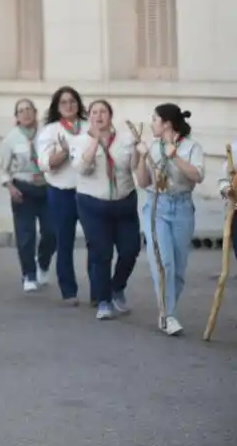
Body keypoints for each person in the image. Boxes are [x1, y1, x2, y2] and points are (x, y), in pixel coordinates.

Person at [133, 103, 204, 335]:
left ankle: (168, 310)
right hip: (157, 206)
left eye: (155, 119)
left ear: (167, 123)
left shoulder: (191, 147)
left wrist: (176, 158)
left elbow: (198, 176)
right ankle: (167, 315)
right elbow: (143, 183)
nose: (152, 123)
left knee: (179, 268)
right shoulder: (153, 147)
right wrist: (142, 158)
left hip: (182, 207)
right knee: (164, 263)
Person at [71, 100, 142, 321]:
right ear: (89, 117)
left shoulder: (125, 140)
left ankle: (117, 287)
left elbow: (133, 167)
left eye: (103, 112)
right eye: (94, 112)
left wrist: (139, 150)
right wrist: (94, 142)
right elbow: (82, 168)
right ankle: (103, 300)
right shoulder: (80, 140)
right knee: (101, 253)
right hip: (93, 203)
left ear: (110, 116)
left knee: (130, 250)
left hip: (124, 201)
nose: (99, 116)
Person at [36, 86, 90, 305]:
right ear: (57, 107)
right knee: (64, 242)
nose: (69, 106)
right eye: (64, 102)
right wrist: (65, 151)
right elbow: (45, 165)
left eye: (73, 102)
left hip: (89, 191)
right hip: (61, 193)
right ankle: (69, 290)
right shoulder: (50, 131)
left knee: (96, 242)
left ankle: (99, 291)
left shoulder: (89, 128)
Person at [0, 99, 55, 293]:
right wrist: (10, 187)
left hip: (47, 187)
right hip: (23, 188)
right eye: (21, 111)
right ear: (16, 116)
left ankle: (43, 263)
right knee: (26, 234)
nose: (25, 114)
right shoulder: (11, 139)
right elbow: (4, 169)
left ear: (35, 112)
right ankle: (29, 274)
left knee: (51, 232)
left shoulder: (47, 134)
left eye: (28, 109)